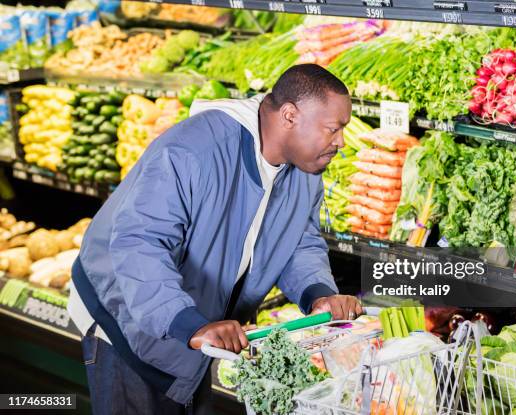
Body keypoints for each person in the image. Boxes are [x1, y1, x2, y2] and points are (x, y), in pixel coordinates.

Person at [67, 64, 362, 414]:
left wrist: (318, 294)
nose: (341, 142)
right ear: (289, 116)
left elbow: (298, 242)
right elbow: (139, 244)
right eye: (333, 129)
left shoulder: (304, 171)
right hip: (128, 320)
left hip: (199, 327)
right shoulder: (193, 151)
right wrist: (188, 323)